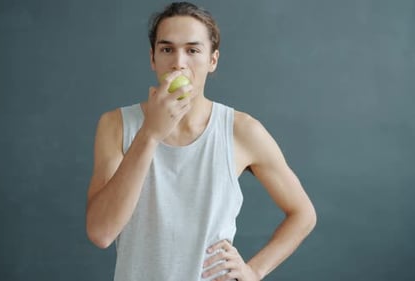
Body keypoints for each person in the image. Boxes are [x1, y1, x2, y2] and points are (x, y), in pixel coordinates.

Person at [85, 2, 316, 280]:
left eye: (192, 50)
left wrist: (253, 271)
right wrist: (150, 133)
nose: (179, 62)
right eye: (167, 49)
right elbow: (101, 232)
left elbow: (303, 213)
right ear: (153, 58)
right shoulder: (116, 125)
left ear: (213, 60)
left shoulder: (241, 130)